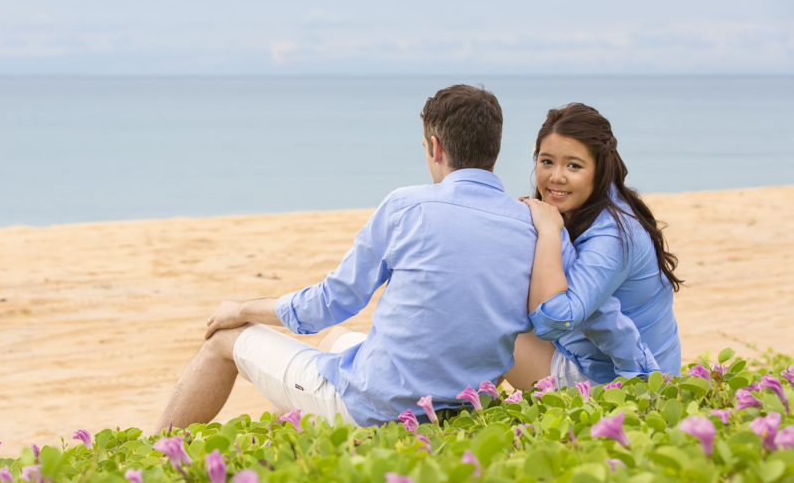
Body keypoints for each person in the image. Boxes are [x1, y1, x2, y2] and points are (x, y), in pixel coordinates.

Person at [156, 84, 544, 431]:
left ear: (434, 146)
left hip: (379, 408)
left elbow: (329, 303)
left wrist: (242, 309)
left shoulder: (407, 207)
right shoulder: (528, 222)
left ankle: (153, 453)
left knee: (225, 340)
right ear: (492, 148)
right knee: (337, 340)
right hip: (463, 404)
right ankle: (292, 436)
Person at [505, 103, 682, 390]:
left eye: (573, 165)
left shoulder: (613, 234)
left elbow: (555, 321)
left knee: (491, 326)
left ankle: (449, 413)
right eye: (546, 161)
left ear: (600, 169)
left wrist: (550, 230)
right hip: (611, 364)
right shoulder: (587, 209)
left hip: (627, 386)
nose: (556, 177)